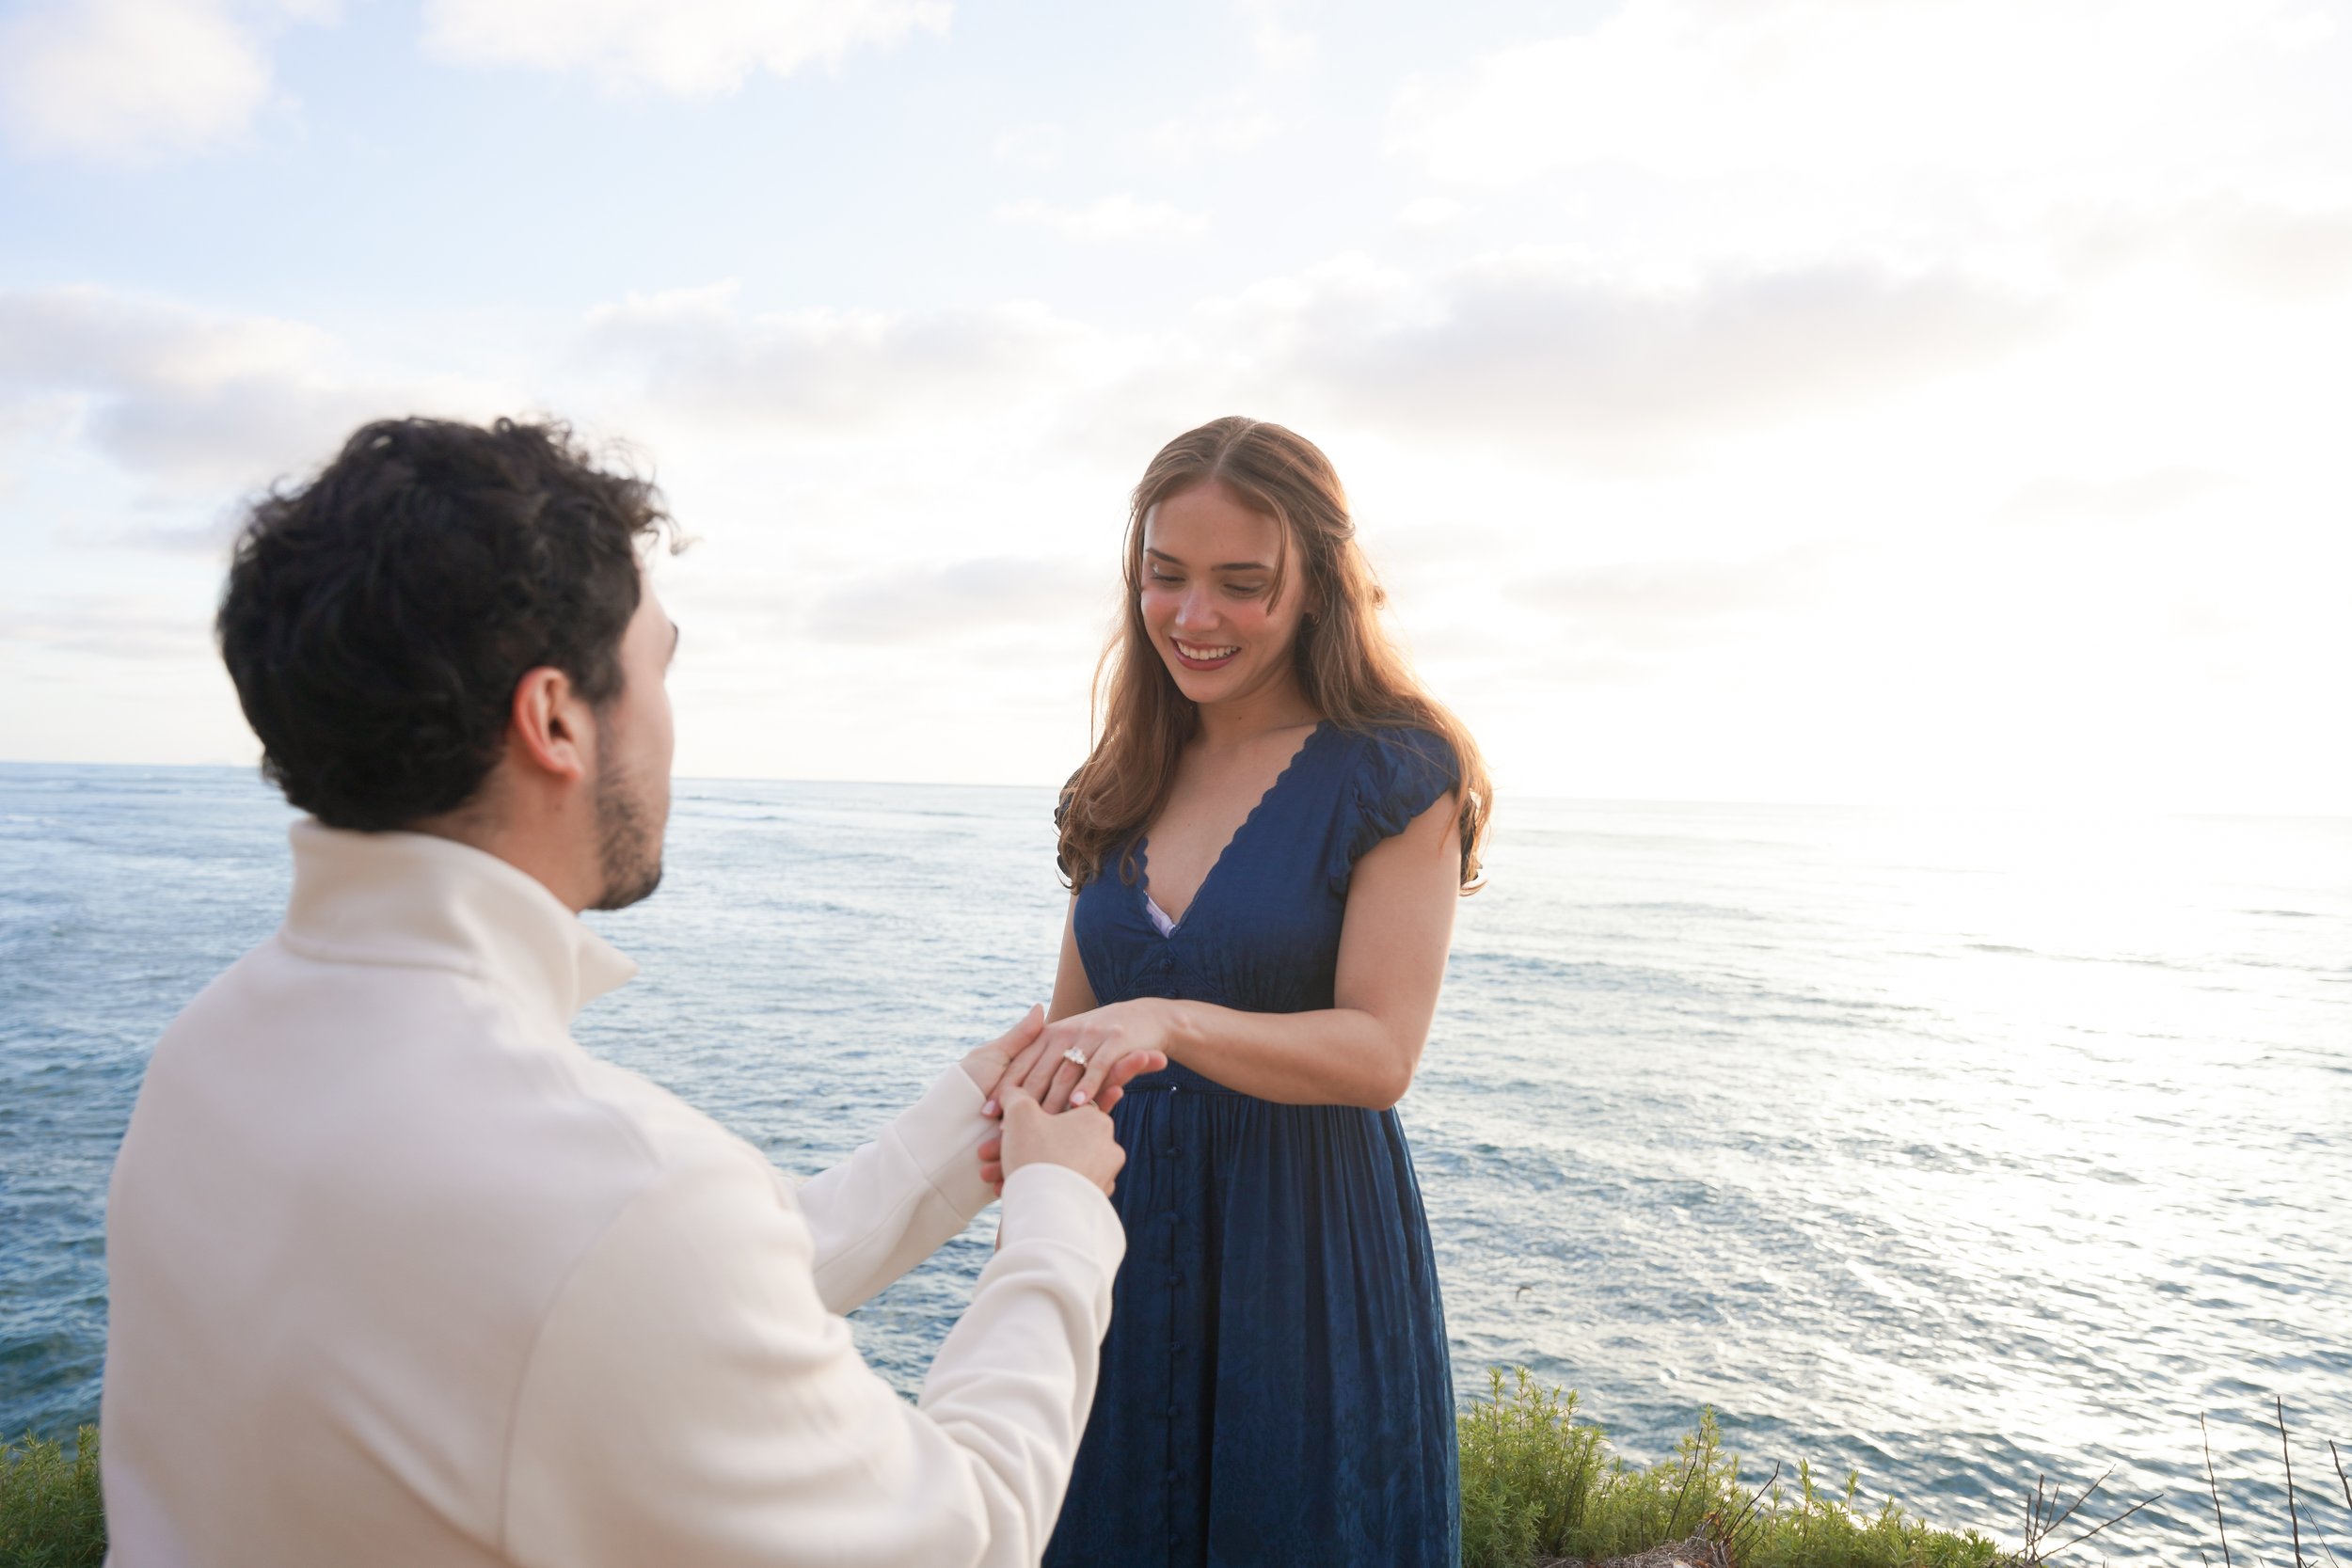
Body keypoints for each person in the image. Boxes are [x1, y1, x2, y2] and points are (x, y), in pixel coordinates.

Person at [99, 416, 1161, 1568]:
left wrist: (968, 1126)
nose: (668, 721)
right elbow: (968, 1537)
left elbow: (640, 1306)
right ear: (555, 718)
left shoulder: (207, 1055)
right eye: (661, 663)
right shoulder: (618, 1193)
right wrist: (1058, 1218)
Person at [992, 417, 1493, 1566]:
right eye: (1164, 577)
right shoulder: (1119, 775)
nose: (1192, 615)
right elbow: (1073, 1031)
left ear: (1315, 586)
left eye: (1240, 583)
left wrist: (1168, 1018)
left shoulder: (1395, 767)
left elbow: (1380, 1052)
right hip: (1109, 1239)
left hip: (1302, 1254)